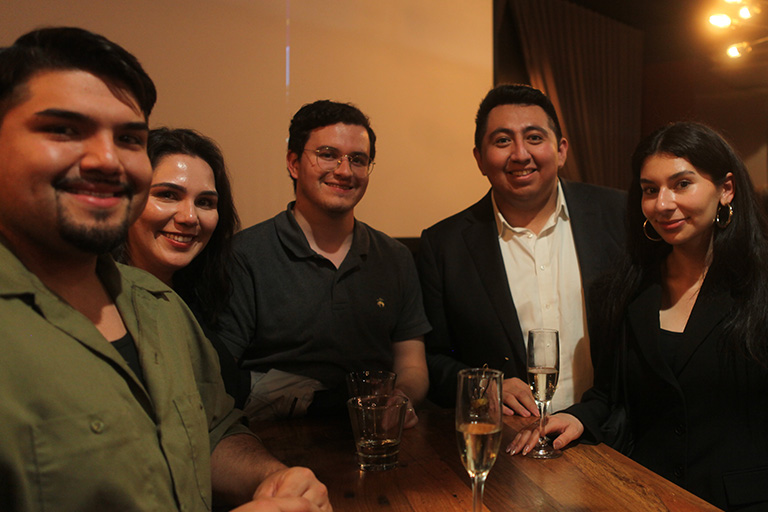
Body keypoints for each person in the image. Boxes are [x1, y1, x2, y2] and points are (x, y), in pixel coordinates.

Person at [0, 27, 330, 512]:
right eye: (64, 130)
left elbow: (212, 431)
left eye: (129, 138)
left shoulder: (159, 304)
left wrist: (271, 478)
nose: (107, 159)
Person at [508, 122, 768, 511]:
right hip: (643, 495)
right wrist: (580, 418)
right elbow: (611, 396)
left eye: (682, 184)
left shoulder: (759, 285)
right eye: (650, 189)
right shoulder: (624, 289)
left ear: (726, 189)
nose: (662, 203)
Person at [215, 100, 430, 426]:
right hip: (273, 436)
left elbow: (412, 364)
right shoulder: (244, 255)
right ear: (293, 163)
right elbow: (219, 374)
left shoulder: (395, 257)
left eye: (358, 159)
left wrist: (402, 397)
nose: (344, 171)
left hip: (375, 433)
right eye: (328, 155)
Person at [417, 84, 625, 414]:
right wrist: (483, 385)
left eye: (534, 137)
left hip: (607, 432)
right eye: (502, 141)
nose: (520, 154)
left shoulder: (618, 215)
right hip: (510, 437)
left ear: (561, 150)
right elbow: (430, 358)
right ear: (479, 159)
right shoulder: (444, 245)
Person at [117, 127, 248, 405]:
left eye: (205, 202)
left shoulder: (207, 296)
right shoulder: (101, 302)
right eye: (168, 195)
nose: (189, 217)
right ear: (125, 200)